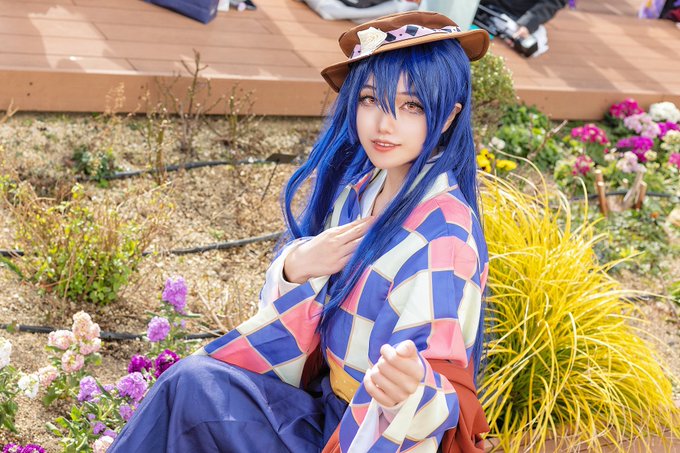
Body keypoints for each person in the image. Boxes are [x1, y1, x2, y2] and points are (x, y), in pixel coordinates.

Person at [108, 11, 491, 453]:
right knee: (191, 385)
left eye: (412, 106)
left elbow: (437, 394)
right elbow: (304, 324)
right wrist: (297, 265)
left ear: (447, 117)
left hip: (368, 433)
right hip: (323, 408)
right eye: (370, 99)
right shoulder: (365, 189)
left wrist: (412, 387)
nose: (384, 124)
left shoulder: (445, 238)